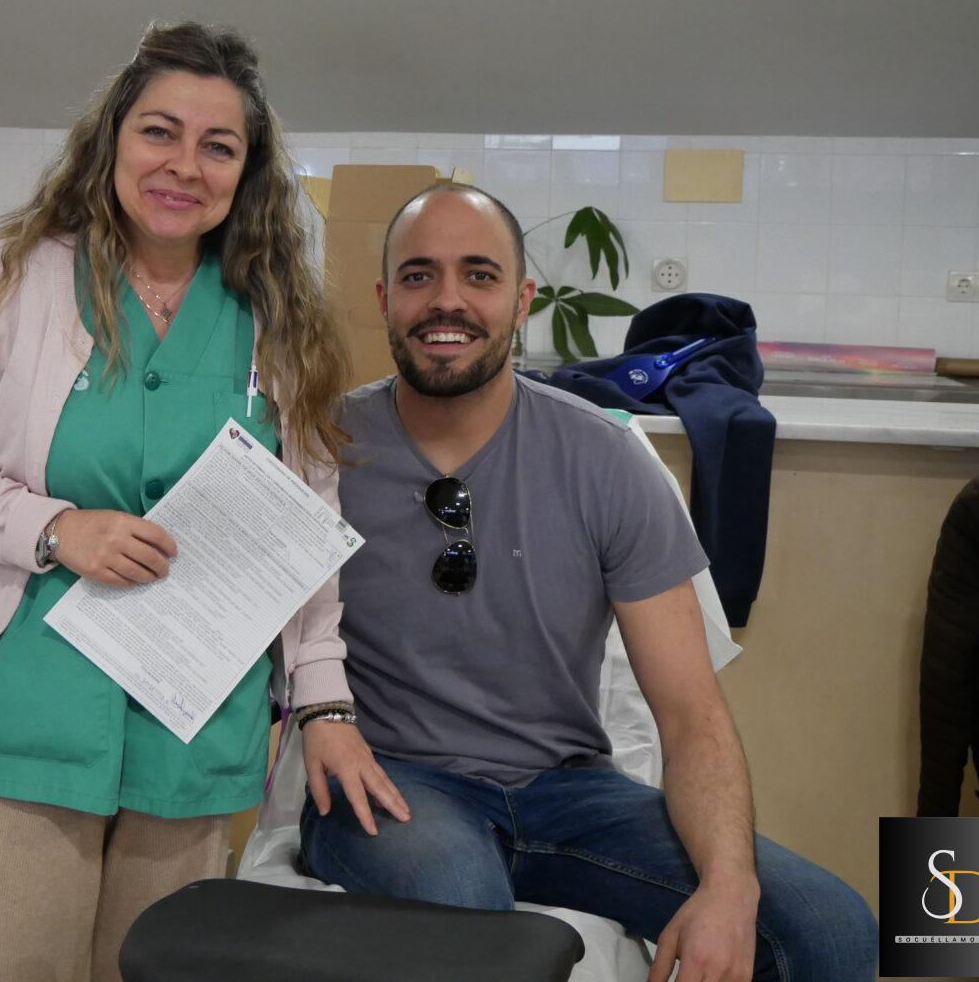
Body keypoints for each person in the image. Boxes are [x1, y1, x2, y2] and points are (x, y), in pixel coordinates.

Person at [0, 21, 403, 982]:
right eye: (160, 132)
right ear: (113, 139)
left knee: (159, 968)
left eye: (219, 146)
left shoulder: (274, 317)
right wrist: (53, 527)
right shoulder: (18, 281)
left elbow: (301, 534)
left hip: (196, 721)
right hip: (32, 706)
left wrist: (324, 698)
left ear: (247, 172)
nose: (184, 166)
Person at [298, 182, 878, 982]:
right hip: (396, 782)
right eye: (419, 275)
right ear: (384, 298)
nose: (447, 300)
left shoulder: (604, 460)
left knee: (831, 929)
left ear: (523, 299)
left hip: (568, 794)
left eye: (479, 274)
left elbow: (690, 713)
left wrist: (728, 884)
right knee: (462, 909)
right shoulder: (323, 452)